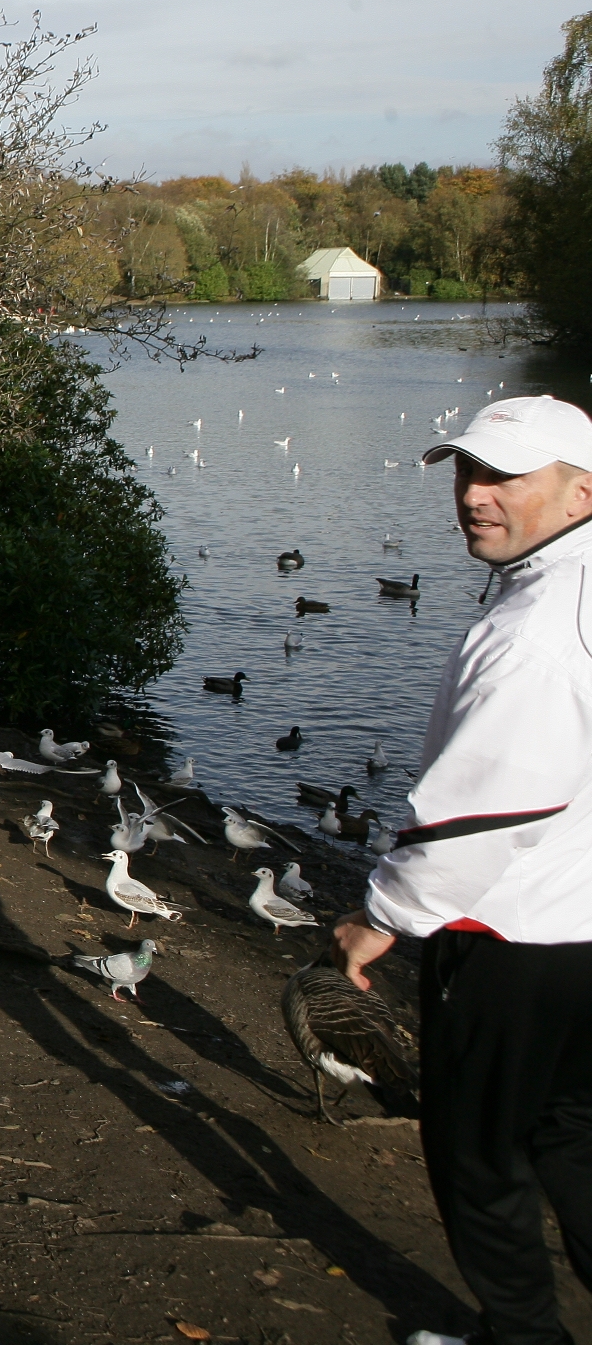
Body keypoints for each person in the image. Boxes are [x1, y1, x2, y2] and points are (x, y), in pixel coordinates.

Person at [329, 394, 592, 1345]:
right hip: (583, 930)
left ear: (581, 492)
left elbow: (487, 812)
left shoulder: (534, 635)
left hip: (511, 936)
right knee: (571, 1134)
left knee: (478, 1156)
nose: (475, 495)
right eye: (469, 472)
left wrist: (384, 917)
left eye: (506, 476)